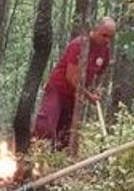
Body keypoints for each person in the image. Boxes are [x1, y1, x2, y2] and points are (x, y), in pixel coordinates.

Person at [32, 17, 117, 149]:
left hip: (75, 97)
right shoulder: (79, 45)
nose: (107, 40)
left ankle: (57, 164)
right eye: (104, 35)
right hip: (58, 90)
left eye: (110, 37)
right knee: (45, 127)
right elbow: (71, 77)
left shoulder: (105, 49)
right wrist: (89, 96)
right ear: (95, 30)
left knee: (66, 135)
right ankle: (32, 160)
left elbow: (101, 72)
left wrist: (97, 88)